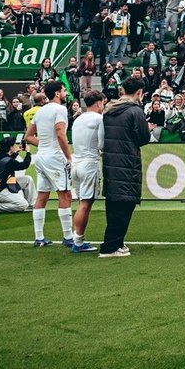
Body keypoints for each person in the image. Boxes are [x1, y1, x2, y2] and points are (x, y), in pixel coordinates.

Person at [99, 76, 149, 257]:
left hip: (110, 162)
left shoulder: (109, 109)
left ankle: (116, 243)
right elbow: (143, 138)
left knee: (113, 204)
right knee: (125, 205)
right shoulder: (135, 111)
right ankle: (111, 246)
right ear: (139, 92)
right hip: (127, 162)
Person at [26, 83, 73, 248]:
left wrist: (45, 145)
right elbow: (60, 134)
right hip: (55, 157)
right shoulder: (60, 109)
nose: (66, 93)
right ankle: (68, 237)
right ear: (58, 93)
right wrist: (69, 157)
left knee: (42, 195)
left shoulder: (40, 111)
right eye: (64, 90)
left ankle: (39, 237)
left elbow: (28, 136)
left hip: (41, 156)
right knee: (65, 194)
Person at [68, 90, 104, 252]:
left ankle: (76, 238)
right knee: (85, 204)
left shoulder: (78, 119)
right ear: (99, 103)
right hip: (89, 164)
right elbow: (102, 145)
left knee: (81, 203)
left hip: (76, 163)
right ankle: (78, 241)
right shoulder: (99, 119)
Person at [0, 135, 31, 214]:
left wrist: (16, 152)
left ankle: (32, 206)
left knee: (27, 180)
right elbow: (24, 165)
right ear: (10, 147)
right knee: (23, 205)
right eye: (13, 145)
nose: (15, 146)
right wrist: (28, 152)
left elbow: (7, 161)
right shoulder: (9, 162)